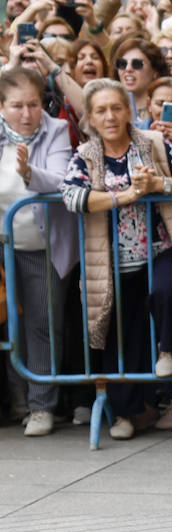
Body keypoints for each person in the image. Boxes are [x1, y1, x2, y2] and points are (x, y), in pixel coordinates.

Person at [61, 78, 172, 441]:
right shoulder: (85, 155)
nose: (110, 116)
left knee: (168, 291)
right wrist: (122, 197)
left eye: (116, 108)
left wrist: (159, 185)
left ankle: (169, 349)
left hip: (160, 248)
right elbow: (72, 196)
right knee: (118, 338)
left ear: (129, 111)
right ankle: (127, 414)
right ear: (91, 119)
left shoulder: (152, 144)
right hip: (112, 262)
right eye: (101, 111)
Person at [0, 68, 79, 437]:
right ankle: (16, 400)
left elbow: (64, 180)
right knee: (8, 324)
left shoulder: (57, 130)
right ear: (2, 107)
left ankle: (41, 406)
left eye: (33, 104)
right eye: (17, 106)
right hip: (2, 247)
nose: (27, 113)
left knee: (42, 325)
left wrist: (30, 173)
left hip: (41, 246)